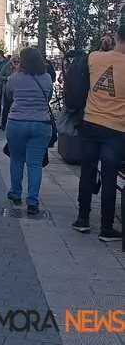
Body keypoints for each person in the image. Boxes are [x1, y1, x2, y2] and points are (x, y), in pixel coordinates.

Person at [65, 17, 125, 242]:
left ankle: (82, 219)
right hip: (117, 130)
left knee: (87, 172)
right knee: (110, 178)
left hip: (90, 123)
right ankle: (106, 228)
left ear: (116, 37)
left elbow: (77, 83)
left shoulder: (93, 57)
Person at [1, 47, 53, 216]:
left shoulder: (14, 78)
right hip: (41, 124)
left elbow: (8, 95)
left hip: (17, 123)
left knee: (16, 160)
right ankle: (33, 201)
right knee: (35, 164)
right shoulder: (47, 78)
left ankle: (16, 194)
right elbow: (49, 97)